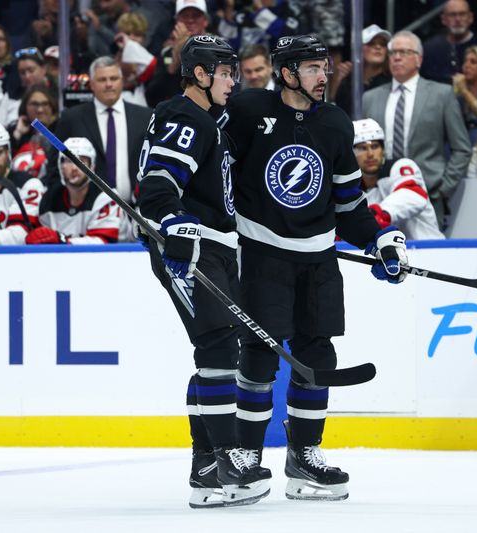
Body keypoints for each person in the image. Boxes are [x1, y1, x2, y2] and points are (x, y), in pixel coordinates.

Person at [221, 34, 409, 501]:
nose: (323, 76)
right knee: (261, 353)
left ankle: (304, 457)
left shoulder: (334, 122)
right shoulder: (247, 112)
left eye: (324, 67)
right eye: (311, 68)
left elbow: (349, 203)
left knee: (317, 354)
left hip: (319, 258)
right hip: (262, 253)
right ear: (286, 73)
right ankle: (245, 456)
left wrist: (379, 238)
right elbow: (216, 172)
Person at [136, 34, 271, 508]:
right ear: (200, 74)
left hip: (215, 246)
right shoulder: (185, 116)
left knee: (216, 349)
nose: (234, 80)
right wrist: (173, 223)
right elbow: (157, 184)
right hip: (189, 250)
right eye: (227, 72)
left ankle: (207, 467)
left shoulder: (210, 120)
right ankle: (224, 457)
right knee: (217, 346)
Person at [363, 30, 471, 228]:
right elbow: (359, 147)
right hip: (380, 196)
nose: (396, 57)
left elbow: (462, 148)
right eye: (393, 53)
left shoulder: (441, 94)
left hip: (427, 194)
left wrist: (442, 190)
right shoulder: (370, 98)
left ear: (418, 59)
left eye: (403, 52)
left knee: (428, 257)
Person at [52, 56, 153, 201]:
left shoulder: (145, 116)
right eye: (102, 80)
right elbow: (56, 164)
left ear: (122, 81)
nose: (109, 84)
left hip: (137, 209)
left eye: (113, 78)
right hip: (90, 211)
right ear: (91, 84)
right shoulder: (72, 118)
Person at [353, 118, 444, 240]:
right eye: (362, 148)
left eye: (375, 146)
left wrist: (378, 214)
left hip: (429, 250)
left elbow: (413, 195)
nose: (370, 154)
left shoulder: (401, 166)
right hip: (389, 254)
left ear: (383, 150)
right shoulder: (351, 188)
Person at [25, 137, 123, 244]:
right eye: (69, 160)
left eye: (82, 161)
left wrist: (63, 241)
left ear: (92, 166)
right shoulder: (48, 201)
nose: (75, 167)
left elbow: (103, 244)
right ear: (60, 166)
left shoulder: (106, 198)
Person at [420, 0, 477, 85]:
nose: (458, 19)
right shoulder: (429, 49)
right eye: (452, 15)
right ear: (443, 19)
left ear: (470, 18)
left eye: (462, 14)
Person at [330, 24, 391, 113]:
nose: (378, 47)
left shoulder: (391, 83)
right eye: (371, 43)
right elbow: (334, 108)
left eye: (383, 44)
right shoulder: (348, 81)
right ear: (358, 49)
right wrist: (338, 80)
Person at [8, 85, 59, 180]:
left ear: (52, 107)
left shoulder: (61, 128)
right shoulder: (14, 130)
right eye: (34, 104)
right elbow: (4, 159)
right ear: (25, 107)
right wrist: (18, 133)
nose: (40, 109)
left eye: (45, 104)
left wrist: (42, 130)